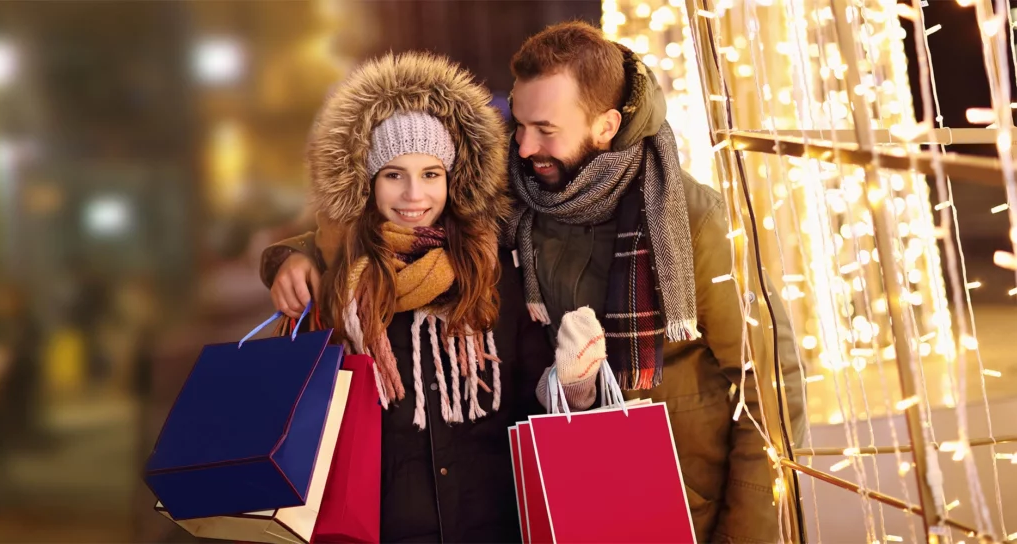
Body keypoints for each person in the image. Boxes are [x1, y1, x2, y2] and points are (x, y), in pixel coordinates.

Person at [266, 22, 805, 543]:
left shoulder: (690, 218)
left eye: (545, 130)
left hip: (683, 502)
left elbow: (773, 386)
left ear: (605, 126)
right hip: (561, 493)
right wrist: (290, 258)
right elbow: (381, 219)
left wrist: (746, 532)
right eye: (518, 125)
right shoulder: (521, 193)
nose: (523, 147)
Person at [280, 52, 553, 543]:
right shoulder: (340, 281)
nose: (413, 196)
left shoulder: (494, 269)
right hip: (380, 526)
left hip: (489, 524)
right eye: (393, 175)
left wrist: (570, 384)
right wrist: (286, 258)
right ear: (368, 181)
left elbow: (531, 394)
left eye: (430, 174)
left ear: (452, 178)